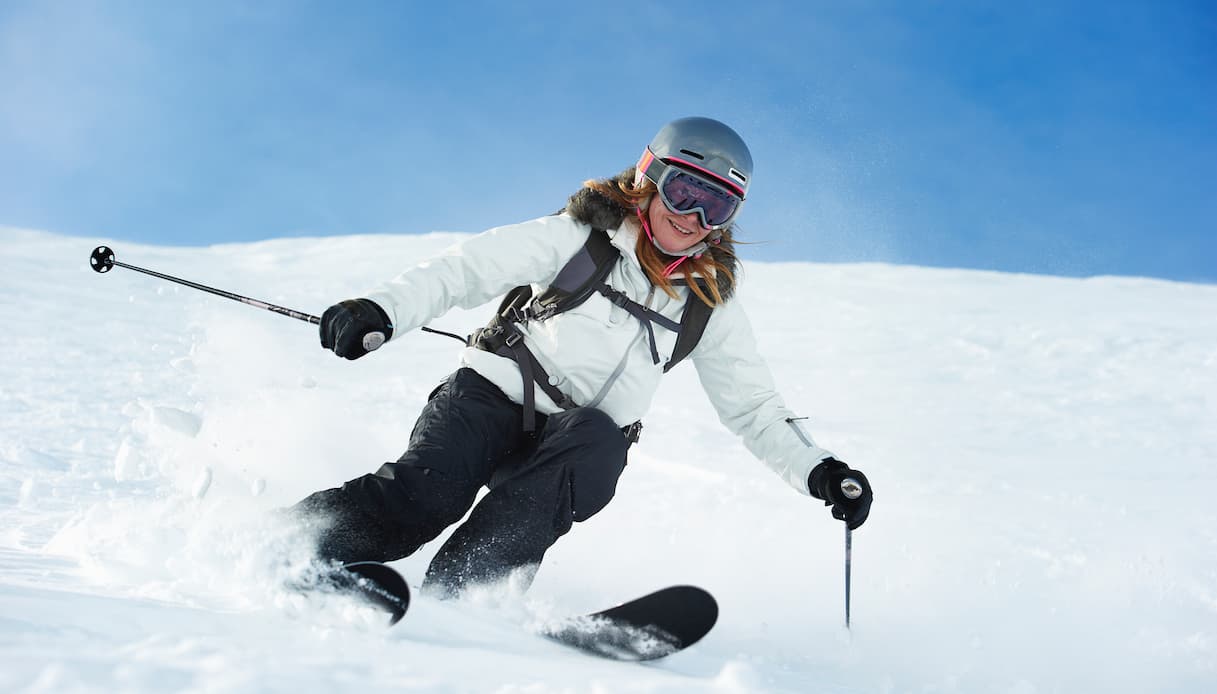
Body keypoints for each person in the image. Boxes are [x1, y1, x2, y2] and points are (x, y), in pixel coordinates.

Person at [292, 117, 873, 596]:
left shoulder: (708, 304)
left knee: (595, 444)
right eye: (684, 192)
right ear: (650, 178)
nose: (693, 217)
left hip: (574, 443)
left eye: (715, 208)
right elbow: (466, 270)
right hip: (490, 398)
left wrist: (821, 472)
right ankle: (297, 544)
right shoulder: (580, 238)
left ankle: (467, 592)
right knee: (427, 496)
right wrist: (381, 310)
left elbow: (755, 409)